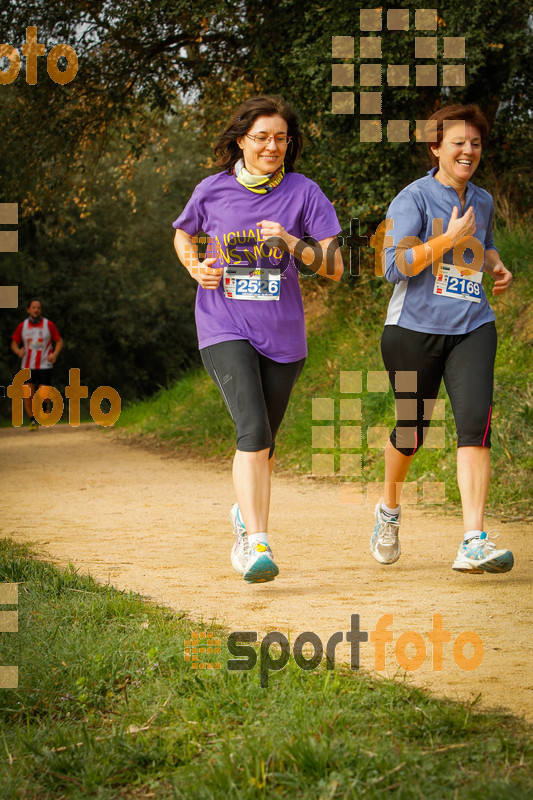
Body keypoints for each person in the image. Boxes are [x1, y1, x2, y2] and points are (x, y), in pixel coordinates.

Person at [172, 95, 343, 583]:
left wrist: (291, 242)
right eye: (262, 137)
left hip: (283, 336)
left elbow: (333, 267)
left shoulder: (306, 193)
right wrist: (194, 266)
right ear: (241, 141)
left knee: (265, 443)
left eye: (281, 138)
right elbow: (183, 235)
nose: (273, 146)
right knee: (253, 431)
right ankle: (257, 543)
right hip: (223, 325)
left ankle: (244, 514)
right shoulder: (212, 190)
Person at [371, 103, 514, 574]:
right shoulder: (411, 200)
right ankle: (388, 510)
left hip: (472, 326)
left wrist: (494, 264)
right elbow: (393, 267)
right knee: (411, 432)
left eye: (475, 143)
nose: (468, 150)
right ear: (435, 148)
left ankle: (474, 539)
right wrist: (446, 240)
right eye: (458, 142)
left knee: (475, 425)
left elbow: (483, 243)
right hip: (412, 330)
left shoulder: (484, 200)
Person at [11, 298, 63, 430]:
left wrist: (54, 354)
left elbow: (59, 341)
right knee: (27, 393)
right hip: (27, 365)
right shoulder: (22, 326)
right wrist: (18, 351)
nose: (36, 310)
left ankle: (42, 412)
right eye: (33, 307)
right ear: (28, 310)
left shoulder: (48, 325)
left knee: (43, 394)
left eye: (38, 308)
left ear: (41, 310)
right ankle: (32, 420)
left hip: (45, 364)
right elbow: (14, 344)